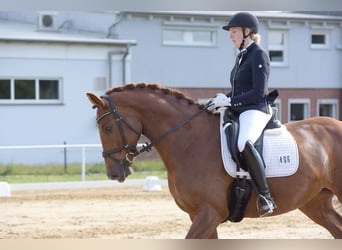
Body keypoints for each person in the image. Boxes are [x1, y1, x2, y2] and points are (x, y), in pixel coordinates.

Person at [207, 12, 276, 217]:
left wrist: (230, 101)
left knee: (243, 142)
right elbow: (238, 90)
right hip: (241, 109)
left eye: (234, 31)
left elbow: (258, 92)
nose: (231, 35)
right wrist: (222, 98)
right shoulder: (241, 56)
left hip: (256, 109)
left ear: (248, 32)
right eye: (231, 32)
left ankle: (265, 196)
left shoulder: (258, 54)